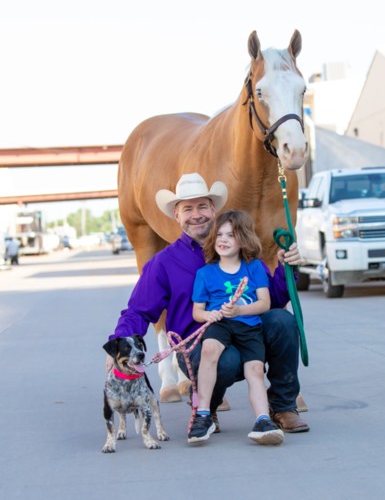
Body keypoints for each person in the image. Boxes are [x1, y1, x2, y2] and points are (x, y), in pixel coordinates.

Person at [106, 172, 309, 435]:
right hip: (199, 344)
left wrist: (286, 267)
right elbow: (138, 310)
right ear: (176, 215)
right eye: (187, 208)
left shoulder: (243, 252)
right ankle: (206, 407)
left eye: (202, 206)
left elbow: (274, 299)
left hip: (249, 332)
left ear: (214, 210)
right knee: (227, 358)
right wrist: (118, 343)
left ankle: (282, 406)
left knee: (282, 320)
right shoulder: (163, 264)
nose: (197, 214)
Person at [188, 209, 284, 445]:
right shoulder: (205, 273)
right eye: (219, 234)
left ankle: (262, 420)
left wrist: (240, 310)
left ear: (243, 239)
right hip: (220, 324)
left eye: (230, 235)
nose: (223, 239)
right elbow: (197, 312)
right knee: (209, 350)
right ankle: (203, 414)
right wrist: (210, 314)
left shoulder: (254, 268)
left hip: (249, 326)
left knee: (255, 371)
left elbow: (265, 303)